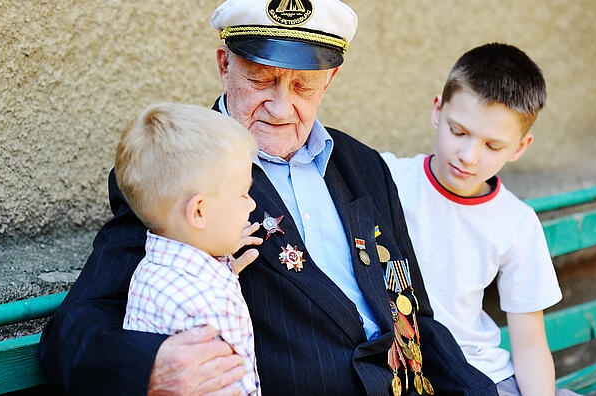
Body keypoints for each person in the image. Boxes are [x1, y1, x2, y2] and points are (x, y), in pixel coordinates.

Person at [40, 1, 498, 395]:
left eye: (303, 86)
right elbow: (76, 327)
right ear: (225, 65)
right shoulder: (177, 169)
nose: (282, 108)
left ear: (330, 78)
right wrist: (150, 367)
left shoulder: (364, 165)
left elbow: (417, 315)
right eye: (261, 79)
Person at [382, 43, 578, 396]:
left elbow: (530, 344)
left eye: (493, 146)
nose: (468, 156)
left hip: (484, 375)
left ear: (520, 147)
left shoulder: (516, 222)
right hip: (404, 374)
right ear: (438, 111)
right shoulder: (388, 180)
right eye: (458, 131)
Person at [115, 103, 261, 395]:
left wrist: (225, 267)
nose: (251, 204)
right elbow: (229, 386)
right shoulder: (210, 305)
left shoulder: (150, 271)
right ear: (198, 212)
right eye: (243, 193)